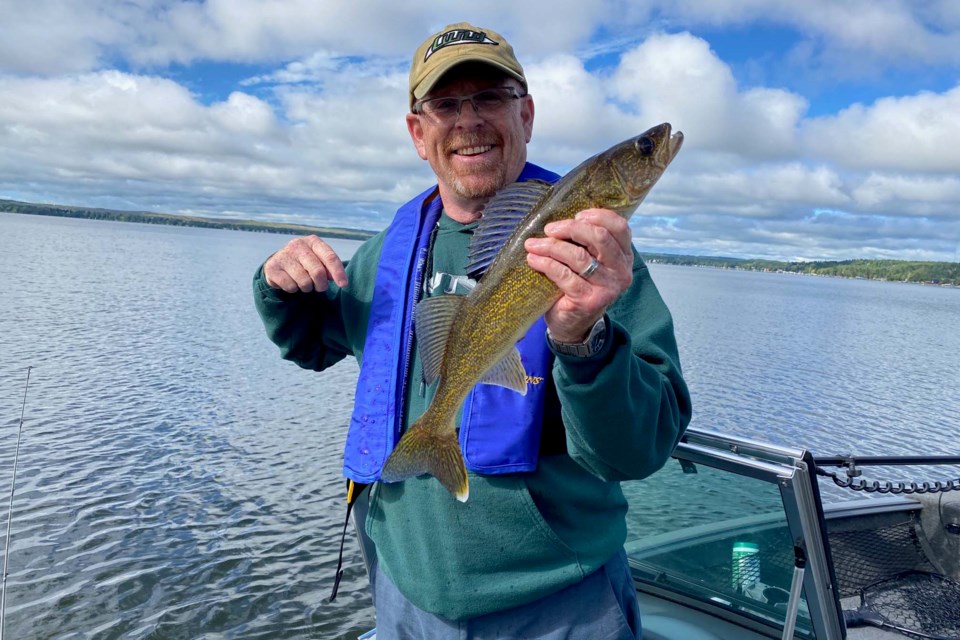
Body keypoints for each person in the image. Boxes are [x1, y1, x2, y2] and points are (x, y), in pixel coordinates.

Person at [253, 21, 691, 640]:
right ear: (417, 131)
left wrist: (582, 339)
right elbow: (310, 341)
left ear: (527, 114)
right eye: (445, 104)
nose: (469, 120)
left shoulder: (599, 259)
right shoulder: (384, 258)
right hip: (404, 595)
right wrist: (278, 284)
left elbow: (642, 450)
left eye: (490, 97)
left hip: (560, 606)